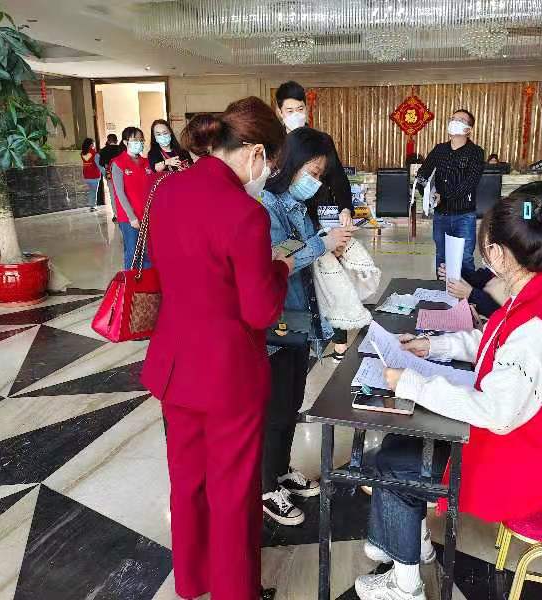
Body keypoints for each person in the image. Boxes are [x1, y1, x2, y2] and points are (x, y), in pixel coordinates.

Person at [354, 189, 542, 600]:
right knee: (400, 441)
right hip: (525, 440)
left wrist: (411, 383)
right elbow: (491, 340)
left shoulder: (533, 322)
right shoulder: (538, 296)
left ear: (496, 252)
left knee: (393, 463)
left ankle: (405, 586)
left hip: (520, 459)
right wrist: (432, 347)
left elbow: (496, 411)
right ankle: (412, 545)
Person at [141, 96, 292, 600]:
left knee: (187, 481)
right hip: (228, 374)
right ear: (254, 153)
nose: (265, 174)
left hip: (174, 362)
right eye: (269, 163)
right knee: (232, 491)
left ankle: (191, 580)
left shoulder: (165, 189)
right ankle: (234, 591)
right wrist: (280, 269)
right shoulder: (245, 213)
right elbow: (259, 311)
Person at [259, 127, 355, 526]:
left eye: (319, 175)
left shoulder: (295, 205)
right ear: (291, 164)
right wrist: (321, 244)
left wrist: (328, 239)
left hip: (300, 317)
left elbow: (300, 247)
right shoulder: (266, 205)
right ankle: (265, 487)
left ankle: (281, 471)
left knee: (291, 401)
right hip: (277, 320)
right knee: (275, 408)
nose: (314, 181)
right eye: (312, 172)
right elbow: (276, 259)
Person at [275, 80, 354, 360]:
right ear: (279, 112)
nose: (296, 115)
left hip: (318, 219)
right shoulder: (274, 145)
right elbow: (278, 262)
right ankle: (302, 335)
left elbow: (338, 178)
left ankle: (335, 337)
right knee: (300, 277)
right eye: (290, 110)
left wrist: (345, 209)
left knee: (328, 275)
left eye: (300, 109)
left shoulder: (320, 141)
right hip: (292, 224)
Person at [416, 109, 484, 272]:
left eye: (460, 120)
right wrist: (427, 194)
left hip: (464, 216)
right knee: (442, 256)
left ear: (469, 129)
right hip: (441, 215)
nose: (454, 122)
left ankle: (467, 288)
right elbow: (422, 175)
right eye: (452, 118)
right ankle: (442, 288)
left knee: (465, 258)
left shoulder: (476, 152)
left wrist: (444, 196)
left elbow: (469, 183)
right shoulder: (439, 150)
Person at [111, 127, 154, 270]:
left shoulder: (146, 162)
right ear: (125, 142)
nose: (139, 143)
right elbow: (120, 193)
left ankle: (146, 280)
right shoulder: (118, 163)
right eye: (135, 140)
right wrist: (131, 217)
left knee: (146, 252)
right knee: (132, 252)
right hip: (129, 217)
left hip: (146, 214)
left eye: (141, 140)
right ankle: (130, 280)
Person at [97, 134, 121, 221]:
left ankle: (116, 215)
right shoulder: (121, 149)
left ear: (108, 140)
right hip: (121, 174)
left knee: (112, 194)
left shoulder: (103, 150)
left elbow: (101, 163)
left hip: (109, 174)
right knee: (122, 193)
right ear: (116, 140)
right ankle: (124, 213)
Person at [80, 138, 101, 212]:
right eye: (94, 144)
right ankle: (93, 206)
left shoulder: (83, 153)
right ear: (91, 145)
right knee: (94, 191)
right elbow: (99, 165)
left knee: (91, 191)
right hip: (94, 175)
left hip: (86, 175)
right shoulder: (94, 153)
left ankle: (91, 205)